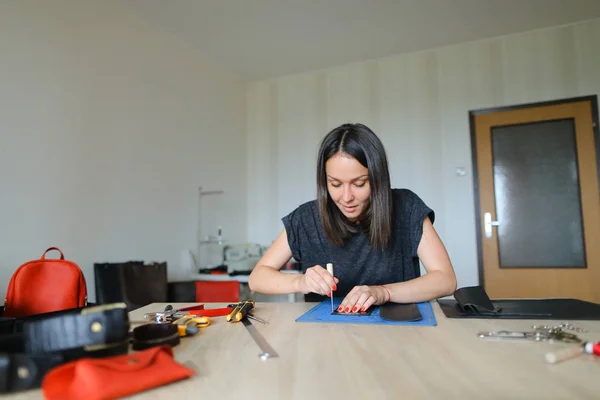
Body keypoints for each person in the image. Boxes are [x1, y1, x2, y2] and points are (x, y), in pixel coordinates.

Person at [248, 123, 457, 312]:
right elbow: (258, 278)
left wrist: (383, 292)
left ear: (378, 179)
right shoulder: (306, 218)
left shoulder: (406, 207)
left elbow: (445, 279)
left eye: (359, 184)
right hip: (326, 335)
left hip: (397, 333)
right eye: (335, 184)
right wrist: (301, 282)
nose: (346, 197)